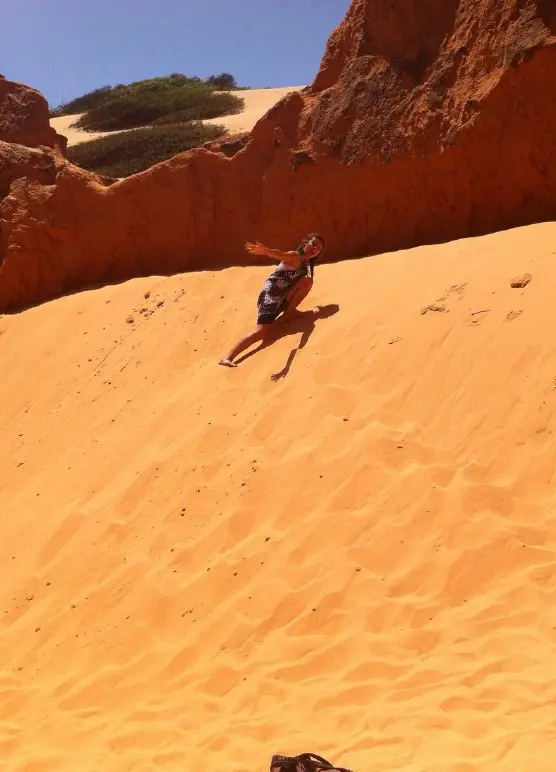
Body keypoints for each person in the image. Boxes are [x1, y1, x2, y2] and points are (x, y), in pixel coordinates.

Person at [219, 233, 325, 367]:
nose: (315, 249)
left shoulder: (307, 264)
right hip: (270, 297)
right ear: (305, 243)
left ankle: (289, 312)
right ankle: (229, 357)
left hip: (282, 297)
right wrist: (266, 251)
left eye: (319, 248)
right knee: (261, 332)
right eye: (313, 244)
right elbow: (281, 254)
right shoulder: (295, 256)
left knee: (307, 282)